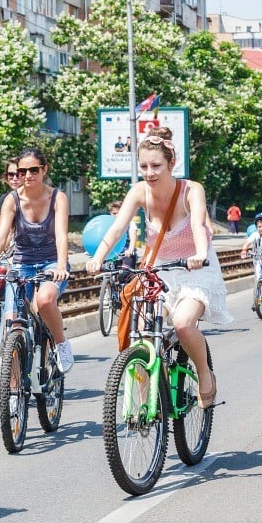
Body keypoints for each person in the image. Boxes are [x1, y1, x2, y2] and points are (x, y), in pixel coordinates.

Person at [85, 127, 232, 409]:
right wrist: (98, 257)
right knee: (143, 336)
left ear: (171, 163)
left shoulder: (192, 190)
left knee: (183, 324)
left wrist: (201, 253)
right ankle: (147, 402)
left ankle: (204, 374)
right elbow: (117, 228)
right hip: (160, 271)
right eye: (144, 167)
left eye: (156, 166)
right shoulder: (140, 191)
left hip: (194, 269)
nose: (149, 173)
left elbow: (199, 224)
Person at [0, 147, 74, 373]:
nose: (27, 175)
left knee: (45, 300)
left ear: (44, 170)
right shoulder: (12, 200)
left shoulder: (57, 198)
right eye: (22, 171)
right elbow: (1, 235)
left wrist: (61, 266)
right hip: (22, 264)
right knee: (10, 325)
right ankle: (12, 392)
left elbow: (61, 235)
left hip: (51, 263)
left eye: (34, 170)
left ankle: (61, 344)